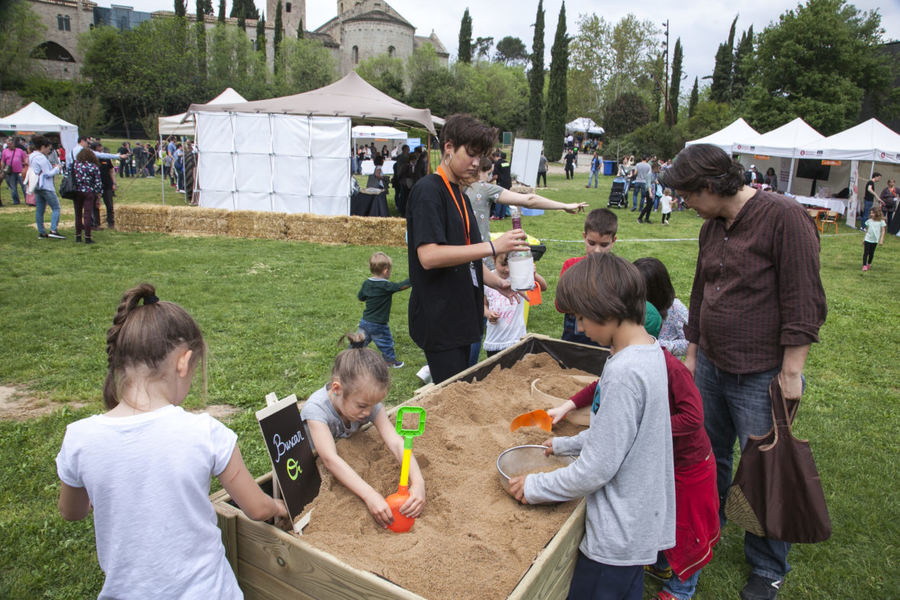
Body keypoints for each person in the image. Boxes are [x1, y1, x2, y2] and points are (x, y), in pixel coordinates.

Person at [660, 143, 827, 600]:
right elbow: (699, 291)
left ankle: (768, 565)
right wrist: (693, 353)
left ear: (712, 187)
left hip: (762, 374)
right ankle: (703, 532)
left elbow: (803, 300)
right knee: (707, 457)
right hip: (712, 366)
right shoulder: (712, 226)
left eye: (688, 195)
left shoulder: (785, 217)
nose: (685, 204)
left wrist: (791, 373)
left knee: (766, 470)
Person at [55, 283, 288, 599]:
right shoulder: (206, 433)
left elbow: (72, 511)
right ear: (183, 362)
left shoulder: (80, 439)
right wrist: (278, 505)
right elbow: (257, 508)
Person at [507, 252, 675, 600]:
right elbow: (620, 434)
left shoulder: (625, 374)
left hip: (615, 534)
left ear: (609, 310)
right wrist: (566, 445)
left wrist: (536, 486)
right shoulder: (648, 352)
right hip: (636, 523)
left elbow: (596, 470)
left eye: (582, 318)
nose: (580, 328)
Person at [545, 302, 719, 600]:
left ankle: (680, 589)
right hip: (644, 491)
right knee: (659, 524)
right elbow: (601, 395)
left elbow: (693, 418)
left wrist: (646, 426)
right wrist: (569, 407)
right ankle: (660, 562)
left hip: (688, 463)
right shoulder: (631, 360)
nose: (608, 354)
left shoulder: (666, 368)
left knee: (688, 529)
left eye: (613, 347)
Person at [406, 114, 529, 384]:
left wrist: (497, 283)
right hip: (441, 319)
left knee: (461, 392)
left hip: (463, 317)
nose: (477, 163)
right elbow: (429, 256)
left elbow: (466, 259)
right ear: (448, 148)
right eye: (471, 154)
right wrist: (492, 246)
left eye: (481, 156)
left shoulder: (460, 194)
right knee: (451, 397)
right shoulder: (429, 191)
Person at [301, 334, 426, 528]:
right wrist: (370, 495)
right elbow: (329, 459)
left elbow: (395, 442)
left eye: (373, 405)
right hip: (309, 470)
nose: (368, 412)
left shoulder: (365, 400)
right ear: (337, 388)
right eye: (362, 406)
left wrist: (418, 482)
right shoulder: (316, 411)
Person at [557, 208, 618, 345]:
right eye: (592, 243)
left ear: (613, 241)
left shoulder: (616, 271)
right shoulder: (571, 265)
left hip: (604, 339)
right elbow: (560, 305)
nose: (597, 250)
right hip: (573, 338)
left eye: (604, 245)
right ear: (584, 237)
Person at [483, 252, 547, 357]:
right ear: (494, 259)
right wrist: (488, 314)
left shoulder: (519, 278)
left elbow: (543, 287)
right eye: (503, 264)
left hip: (516, 339)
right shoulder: (488, 280)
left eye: (511, 264)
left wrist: (533, 275)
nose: (507, 269)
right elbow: (483, 305)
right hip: (494, 339)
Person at [358, 252, 410, 368]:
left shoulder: (366, 283)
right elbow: (400, 286)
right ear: (386, 271)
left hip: (365, 321)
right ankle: (390, 362)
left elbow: (361, 297)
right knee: (386, 342)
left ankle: (351, 357)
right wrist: (413, 279)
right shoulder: (386, 286)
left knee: (359, 342)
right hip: (379, 324)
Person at [634, 257, 689, 359]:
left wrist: (659, 345)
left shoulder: (676, 308)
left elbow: (690, 343)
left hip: (663, 366)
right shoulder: (633, 304)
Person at [28, 135, 64, 239]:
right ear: (43, 147)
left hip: (37, 186)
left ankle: (42, 232)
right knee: (56, 208)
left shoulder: (32, 156)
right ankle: (53, 229)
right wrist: (57, 169)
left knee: (40, 209)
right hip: (46, 186)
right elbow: (48, 174)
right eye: (48, 148)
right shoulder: (41, 158)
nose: (49, 150)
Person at [71, 148, 103, 244]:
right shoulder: (93, 167)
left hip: (76, 191)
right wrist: (98, 195)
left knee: (78, 214)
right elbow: (98, 182)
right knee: (88, 214)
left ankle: (78, 236)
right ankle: (87, 236)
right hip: (89, 191)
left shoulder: (74, 165)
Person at [91, 141, 116, 229]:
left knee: (109, 204)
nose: (101, 150)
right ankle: (96, 223)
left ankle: (111, 223)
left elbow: (111, 171)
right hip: (95, 185)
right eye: (99, 149)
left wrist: (114, 183)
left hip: (107, 184)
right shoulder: (91, 159)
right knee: (95, 205)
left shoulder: (106, 158)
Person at [1, 136, 28, 205]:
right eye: (8, 144)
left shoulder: (20, 151)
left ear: (13, 144)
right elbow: (3, 161)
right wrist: (3, 169)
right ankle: (16, 201)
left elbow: (25, 159)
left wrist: (23, 164)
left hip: (20, 171)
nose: (9, 145)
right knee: (13, 187)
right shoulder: (5, 151)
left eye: (10, 144)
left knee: (24, 186)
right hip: (11, 172)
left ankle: (27, 200)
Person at [861, 205, 886, 272]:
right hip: (868, 239)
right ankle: (864, 265)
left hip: (875, 240)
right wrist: (864, 239)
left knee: (871, 253)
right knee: (865, 253)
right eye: (870, 213)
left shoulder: (881, 222)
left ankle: (869, 263)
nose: (871, 214)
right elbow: (866, 230)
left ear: (877, 213)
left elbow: (883, 231)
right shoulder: (869, 221)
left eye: (872, 213)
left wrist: (881, 239)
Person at [490, 151, 512, 220]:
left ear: (495, 157)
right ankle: (502, 215)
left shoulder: (497, 163)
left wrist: (489, 181)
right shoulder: (506, 162)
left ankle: (496, 215)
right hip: (508, 182)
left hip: (501, 182)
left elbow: (495, 176)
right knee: (505, 199)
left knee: (499, 199)